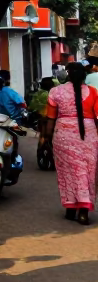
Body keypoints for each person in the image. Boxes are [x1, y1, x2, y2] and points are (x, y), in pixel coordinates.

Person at [45, 62, 98, 225]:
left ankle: (70, 208)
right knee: (87, 171)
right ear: (84, 75)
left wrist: (46, 139)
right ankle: (83, 211)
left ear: (67, 73)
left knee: (67, 172)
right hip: (88, 136)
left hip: (62, 135)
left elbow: (50, 119)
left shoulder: (55, 92)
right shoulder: (93, 92)